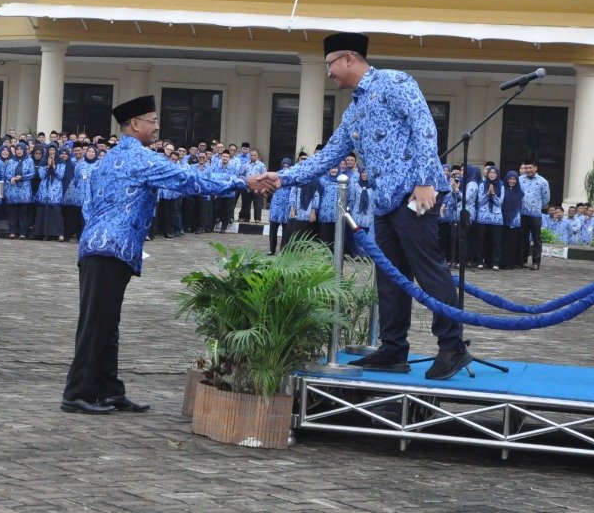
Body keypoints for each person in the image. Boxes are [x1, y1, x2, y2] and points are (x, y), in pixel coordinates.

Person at [262, 32, 471, 380]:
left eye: (329, 64)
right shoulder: (354, 110)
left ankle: (452, 348)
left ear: (348, 58)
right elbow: (329, 155)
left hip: (417, 196)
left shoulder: (394, 82)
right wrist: (283, 178)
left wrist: (423, 182)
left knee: (429, 269)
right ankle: (393, 349)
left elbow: (424, 128)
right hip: (386, 203)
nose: (328, 72)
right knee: (389, 277)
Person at [62, 94, 264, 415]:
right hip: (111, 249)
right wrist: (241, 182)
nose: (157, 127)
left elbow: (89, 204)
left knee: (106, 322)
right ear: (135, 125)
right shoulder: (139, 159)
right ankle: (77, 393)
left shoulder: (108, 159)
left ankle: (108, 389)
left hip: (99, 247)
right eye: (153, 121)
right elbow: (189, 179)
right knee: (96, 323)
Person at [470, 165, 504, 270]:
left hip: (496, 218)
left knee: (496, 241)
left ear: (497, 174)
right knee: (481, 240)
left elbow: (500, 202)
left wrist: (493, 194)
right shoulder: (482, 185)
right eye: (490, 172)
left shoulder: (501, 186)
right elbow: (479, 202)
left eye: (494, 173)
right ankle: (480, 261)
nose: (492, 174)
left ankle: (495, 262)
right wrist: (487, 194)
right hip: (483, 217)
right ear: (487, 174)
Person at [518, 161, 551, 269]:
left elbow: (546, 198)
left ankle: (536, 262)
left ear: (535, 168)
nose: (527, 170)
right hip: (522, 213)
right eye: (526, 168)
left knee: (536, 238)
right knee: (522, 238)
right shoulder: (520, 180)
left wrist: (537, 206)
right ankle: (522, 260)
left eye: (530, 168)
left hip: (535, 214)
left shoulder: (543, 181)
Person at [266, 156, 292, 254]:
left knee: (286, 229)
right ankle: (271, 249)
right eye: (284, 165)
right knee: (273, 228)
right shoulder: (276, 175)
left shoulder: (291, 176)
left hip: (287, 205)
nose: (285, 167)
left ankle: (283, 250)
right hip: (276, 205)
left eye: (287, 165)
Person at [500, 170, 523, 269]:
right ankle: (502, 262)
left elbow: (519, 206)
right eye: (510, 179)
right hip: (503, 218)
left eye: (514, 179)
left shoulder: (519, 192)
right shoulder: (502, 189)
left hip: (514, 220)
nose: (512, 181)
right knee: (503, 241)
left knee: (512, 242)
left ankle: (511, 263)